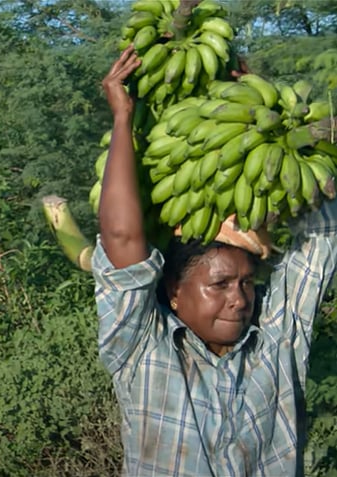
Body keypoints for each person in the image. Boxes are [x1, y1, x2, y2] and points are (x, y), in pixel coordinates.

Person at [93, 44, 337, 476]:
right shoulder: (142, 351)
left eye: (245, 283)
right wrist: (122, 118)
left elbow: (321, 240)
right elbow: (121, 237)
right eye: (220, 284)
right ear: (174, 293)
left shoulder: (277, 346)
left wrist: (270, 125)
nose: (240, 299)